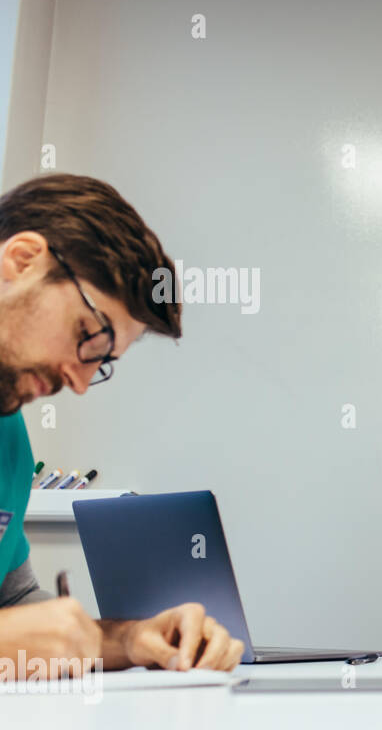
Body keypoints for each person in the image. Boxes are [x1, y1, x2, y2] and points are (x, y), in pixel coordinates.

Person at [0, 174, 244, 677]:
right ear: (22, 261)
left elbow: (16, 603)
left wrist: (131, 638)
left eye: (103, 361)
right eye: (88, 334)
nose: (80, 381)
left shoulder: (9, 437)